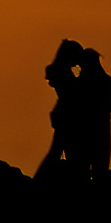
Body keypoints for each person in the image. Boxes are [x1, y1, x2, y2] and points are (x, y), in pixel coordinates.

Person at [37, 39, 85, 179]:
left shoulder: (61, 72)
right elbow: (69, 97)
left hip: (63, 115)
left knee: (58, 151)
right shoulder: (64, 74)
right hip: (67, 117)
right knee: (60, 152)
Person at [76, 47, 111, 178]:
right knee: (99, 169)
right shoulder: (106, 80)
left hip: (89, 130)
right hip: (100, 130)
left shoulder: (83, 82)